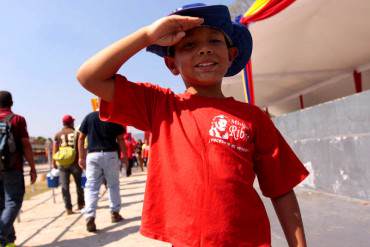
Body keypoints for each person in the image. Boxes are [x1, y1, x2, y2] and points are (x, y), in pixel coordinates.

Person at [76, 3, 309, 246]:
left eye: (214, 41)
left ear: (231, 55)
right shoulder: (160, 106)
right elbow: (89, 76)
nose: (204, 50)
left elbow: (282, 190)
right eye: (189, 45)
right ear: (172, 64)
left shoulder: (254, 117)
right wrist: (148, 36)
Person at [78, 111, 127, 232]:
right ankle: (114, 213)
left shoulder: (89, 117)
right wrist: (125, 156)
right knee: (113, 185)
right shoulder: (115, 116)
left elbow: (81, 137)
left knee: (91, 187)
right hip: (110, 154)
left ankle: (90, 215)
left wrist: (81, 157)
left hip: (93, 155)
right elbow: (120, 139)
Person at [0, 91, 37, 247]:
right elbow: (25, 144)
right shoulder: (17, 120)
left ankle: (9, 241)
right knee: (13, 202)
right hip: (12, 168)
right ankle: (1, 235)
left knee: (1, 205)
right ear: (12, 103)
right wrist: (33, 167)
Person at [53, 115, 85, 215]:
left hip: (62, 164)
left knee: (65, 186)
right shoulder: (77, 133)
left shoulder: (58, 134)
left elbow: (55, 149)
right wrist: (82, 159)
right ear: (71, 123)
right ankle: (80, 204)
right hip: (75, 163)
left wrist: (54, 162)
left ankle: (68, 208)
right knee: (79, 185)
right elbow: (81, 148)